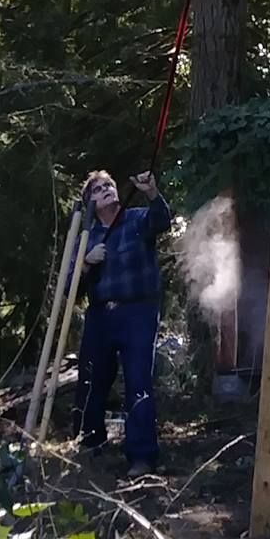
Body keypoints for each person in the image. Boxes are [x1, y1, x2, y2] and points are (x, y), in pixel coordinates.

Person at [74, 167, 172, 476]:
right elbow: (68, 288)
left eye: (109, 185)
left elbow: (162, 221)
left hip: (138, 312)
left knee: (138, 380)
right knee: (91, 381)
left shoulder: (137, 219)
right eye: (98, 189)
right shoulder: (86, 239)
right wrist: (87, 263)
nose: (106, 189)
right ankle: (91, 445)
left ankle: (141, 456)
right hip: (101, 315)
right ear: (90, 202)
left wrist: (152, 192)